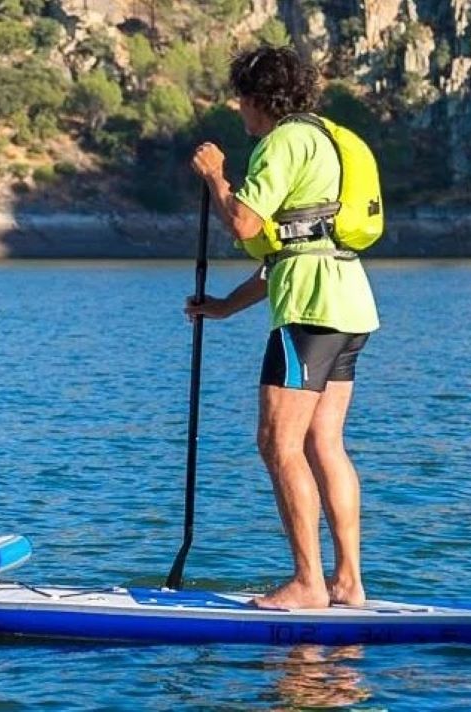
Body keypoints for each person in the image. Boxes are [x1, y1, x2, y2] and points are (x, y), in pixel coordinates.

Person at [184, 46, 380, 609]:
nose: (238, 109)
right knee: (324, 442)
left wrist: (216, 176)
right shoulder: (324, 137)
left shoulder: (284, 141)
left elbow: (245, 220)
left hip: (310, 310)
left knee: (278, 442)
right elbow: (292, 245)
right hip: (348, 301)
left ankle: (307, 584)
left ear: (257, 99)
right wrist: (224, 306)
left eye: (241, 98)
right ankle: (347, 581)